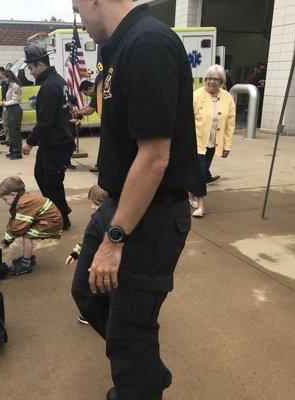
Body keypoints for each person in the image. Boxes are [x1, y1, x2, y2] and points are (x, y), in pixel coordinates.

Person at [70, 2, 197, 400]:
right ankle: (145, 371)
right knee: (87, 294)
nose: (80, 20)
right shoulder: (119, 48)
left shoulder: (148, 44)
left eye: (77, 9)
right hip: (119, 203)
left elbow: (155, 156)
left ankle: (138, 382)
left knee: (130, 334)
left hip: (150, 220)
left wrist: (115, 238)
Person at [21, 44, 76, 231]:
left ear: (40, 64)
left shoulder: (50, 85)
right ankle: (56, 213)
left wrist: (29, 142)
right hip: (53, 142)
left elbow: (45, 121)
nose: (30, 72)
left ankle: (61, 220)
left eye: (31, 68)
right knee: (42, 176)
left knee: (52, 183)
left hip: (56, 143)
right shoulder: (56, 81)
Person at [189, 64, 236, 218]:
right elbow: (187, 120)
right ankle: (201, 205)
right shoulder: (197, 95)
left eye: (216, 79)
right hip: (196, 142)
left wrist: (227, 145)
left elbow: (230, 124)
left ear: (221, 81)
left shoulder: (227, 98)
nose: (212, 82)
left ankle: (190, 195)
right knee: (201, 173)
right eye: (209, 78)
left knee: (199, 172)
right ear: (205, 80)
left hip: (213, 144)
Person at [0, 176, 63, 276]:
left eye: (5, 199)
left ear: (13, 194)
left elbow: (18, 227)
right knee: (26, 233)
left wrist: (8, 240)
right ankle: (27, 257)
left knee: (27, 236)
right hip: (46, 220)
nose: (5, 202)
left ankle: (25, 264)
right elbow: (16, 219)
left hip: (51, 223)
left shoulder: (24, 203)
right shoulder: (24, 198)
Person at [66, 184, 108, 325]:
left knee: (97, 289)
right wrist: (76, 253)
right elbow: (89, 239)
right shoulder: (98, 218)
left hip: (103, 265)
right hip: (94, 261)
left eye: (96, 204)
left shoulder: (109, 222)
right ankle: (92, 311)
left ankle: (96, 313)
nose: (92, 207)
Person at [1, 70, 23, 160]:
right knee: (11, 131)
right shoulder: (10, 86)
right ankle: (12, 151)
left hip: (15, 109)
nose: (4, 79)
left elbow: (15, 100)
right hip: (10, 110)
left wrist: (5, 103)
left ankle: (17, 153)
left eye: (5, 77)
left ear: (9, 77)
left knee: (15, 132)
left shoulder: (15, 86)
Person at [0, 66, 11, 146]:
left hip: (9, 105)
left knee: (9, 123)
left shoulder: (8, 83)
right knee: (5, 123)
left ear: (2, 72)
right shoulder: (2, 82)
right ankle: (7, 138)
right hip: (4, 104)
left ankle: (10, 140)